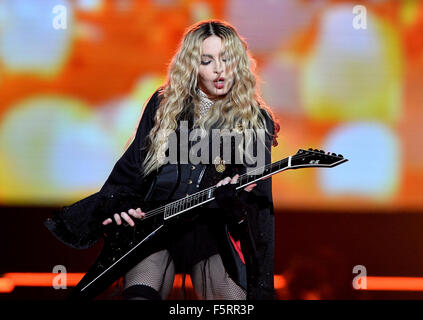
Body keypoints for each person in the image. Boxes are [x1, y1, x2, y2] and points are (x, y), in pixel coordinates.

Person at [44, 19, 280, 300]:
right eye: (207, 61)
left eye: (226, 58)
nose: (219, 69)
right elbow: (131, 170)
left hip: (212, 235)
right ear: (192, 67)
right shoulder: (163, 105)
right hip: (155, 229)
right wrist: (121, 203)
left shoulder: (254, 121)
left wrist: (262, 284)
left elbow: (260, 212)